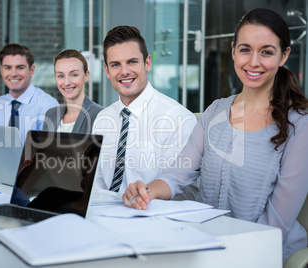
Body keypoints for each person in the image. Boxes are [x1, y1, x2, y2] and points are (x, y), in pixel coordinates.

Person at [123, 8, 308, 264]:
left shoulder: (298, 125)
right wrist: (147, 190)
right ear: (233, 51)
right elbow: (178, 173)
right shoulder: (215, 112)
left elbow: (275, 224)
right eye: (245, 49)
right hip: (209, 245)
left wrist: (226, 254)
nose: (253, 61)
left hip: (262, 252)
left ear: (284, 55)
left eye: (266, 51)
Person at [92, 25, 197, 195]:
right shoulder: (102, 119)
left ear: (147, 63)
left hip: (153, 216)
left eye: (132, 62)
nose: (124, 72)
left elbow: (185, 191)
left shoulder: (178, 118)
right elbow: (96, 185)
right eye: (115, 65)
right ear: (107, 71)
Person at [0, 43, 58, 143]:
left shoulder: (47, 105)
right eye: (8, 68)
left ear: (31, 70)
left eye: (20, 68)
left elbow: (50, 151)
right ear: (1, 71)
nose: (13, 74)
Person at [42, 49, 103, 133]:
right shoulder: (51, 114)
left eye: (74, 75)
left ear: (86, 76)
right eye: (61, 76)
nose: (66, 83)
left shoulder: (99, 115)